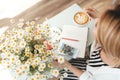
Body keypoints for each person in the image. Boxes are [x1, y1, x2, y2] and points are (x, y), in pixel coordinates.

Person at [53, 4, 120, 80]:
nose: (97, 20)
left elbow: (88, 78)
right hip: (87, 62)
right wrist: (101, 18)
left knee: (59, 73)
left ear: (104, 41)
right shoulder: (113, 46)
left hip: (85, 75)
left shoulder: (112, 75)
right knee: (59, 47)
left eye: (97, 25)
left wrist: (68, 65)